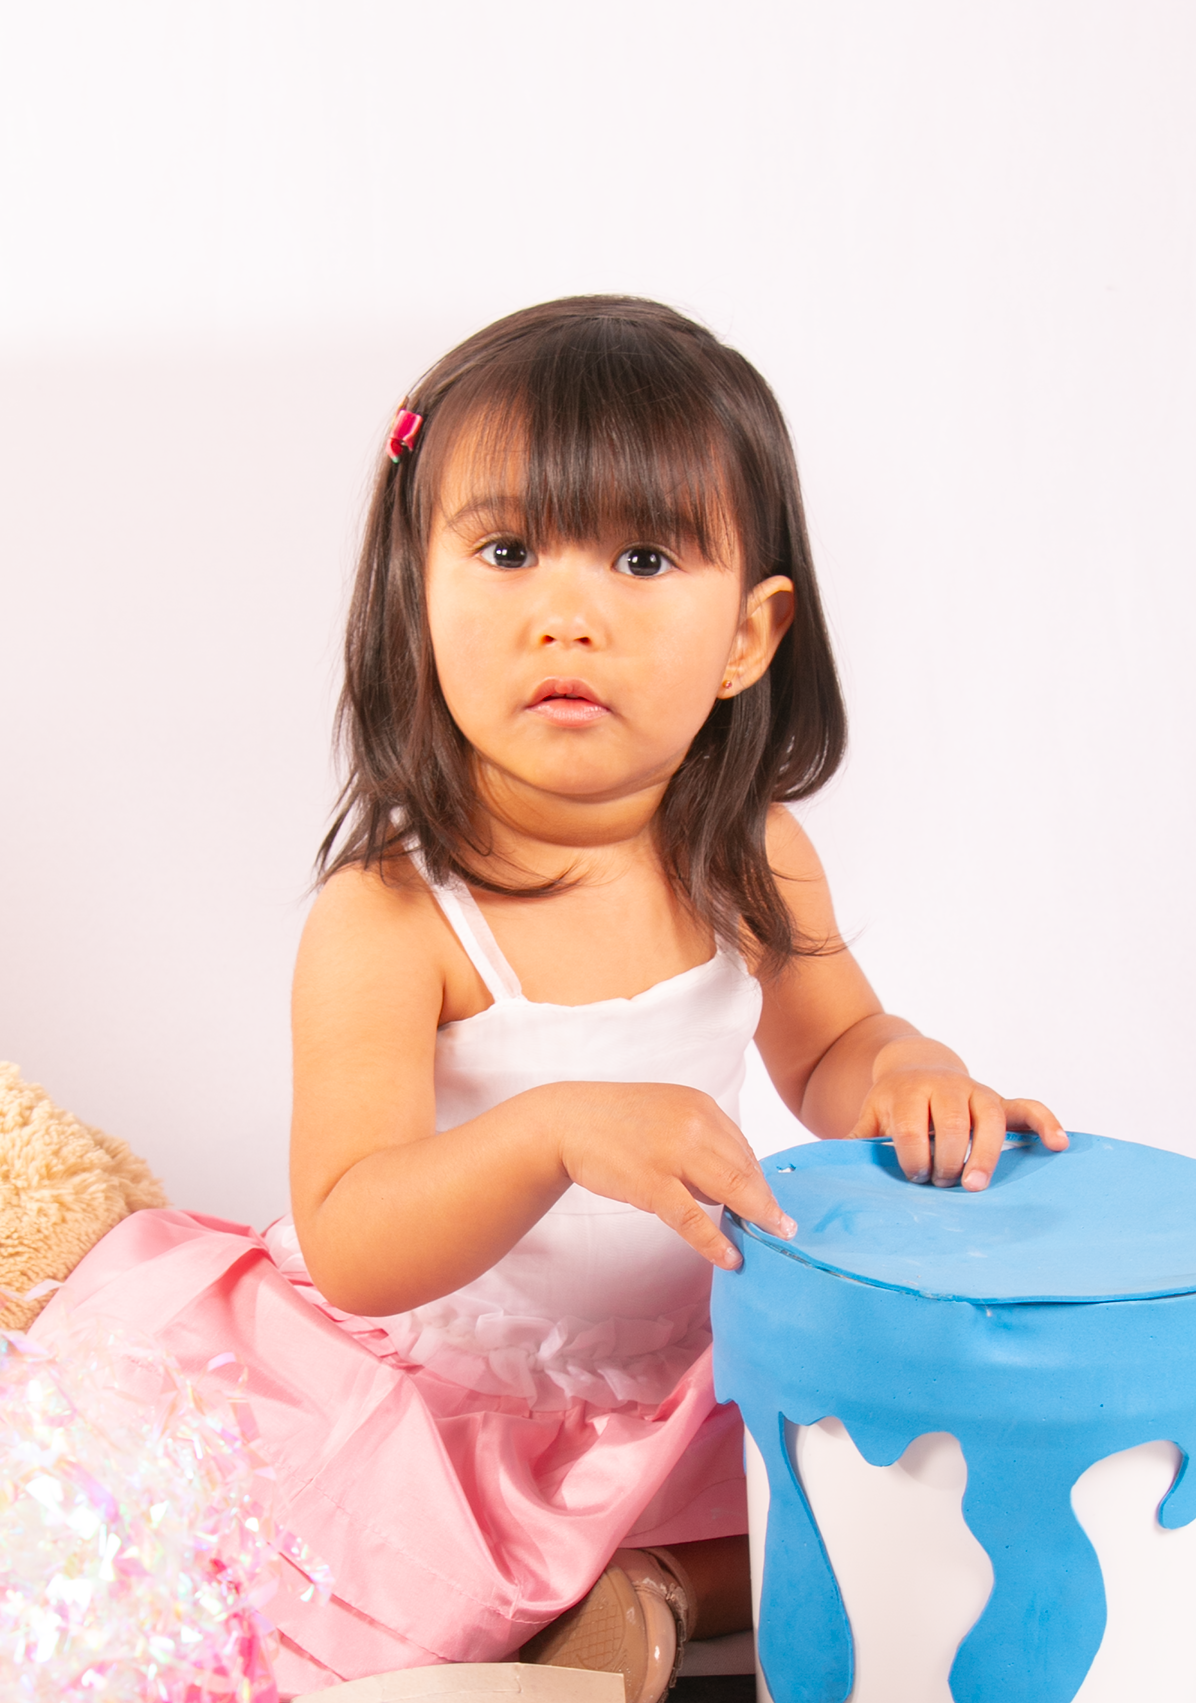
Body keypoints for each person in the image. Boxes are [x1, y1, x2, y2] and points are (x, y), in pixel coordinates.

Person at [35, 297, 1067, 1699]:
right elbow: (354, 1237)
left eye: (642, 559)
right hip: (439, 1395)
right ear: (419, 593)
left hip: (673, 1373)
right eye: (509, 551)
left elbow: (835, 1042)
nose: (566, 616)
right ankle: (576, 1599)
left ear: (750, 636)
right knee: (314, 1562)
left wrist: (907, 1071)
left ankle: (647, 1594)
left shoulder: (751, 854)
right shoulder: (395, 916)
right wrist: (552, 1131)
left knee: (917, 1481)